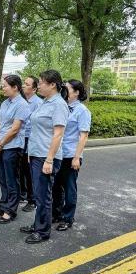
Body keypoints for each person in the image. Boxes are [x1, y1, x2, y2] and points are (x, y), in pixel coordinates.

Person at [20, 69, 69, 244]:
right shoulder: (45, 102)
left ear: (52, 85)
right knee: (39, 194)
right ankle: (37, 224)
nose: (38, 85)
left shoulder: (58, 104)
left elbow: (58, 134)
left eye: (41, 82)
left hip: (46, 156)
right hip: (36, 154)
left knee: (43, 195)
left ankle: (42, 231)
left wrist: (49, 159)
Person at [0, 75, 30, 224]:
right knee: (3, 178)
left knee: (12, 180)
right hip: (1, 144)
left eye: (5, 85)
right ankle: (3, 206)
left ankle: (11, 210)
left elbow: (15, 129)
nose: (3, 88)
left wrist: (1, 143)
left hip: (12, 146)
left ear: (15, 87)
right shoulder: (5, 102)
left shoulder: (22, 105)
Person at [52, 79, 91, 231]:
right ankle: (56, 213)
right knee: (56, 186)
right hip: (59, 153)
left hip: (71, 155)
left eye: (67, 89)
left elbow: (83, 136)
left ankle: (68, 217)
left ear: (76, 92)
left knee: (69, 188)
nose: (63, 91)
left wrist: (77, 157)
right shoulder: (62, 107)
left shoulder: (82, 111)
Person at [20, 76, 43, 212]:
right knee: (21, 168)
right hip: (21, 137)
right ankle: (22, 194)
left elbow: (35, 124)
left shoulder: (38, 103)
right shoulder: (22, 101)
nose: (23, 86)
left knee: (29, 171)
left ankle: (32, 199)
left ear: (34, 89)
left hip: (31, 138)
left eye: (27, 84)